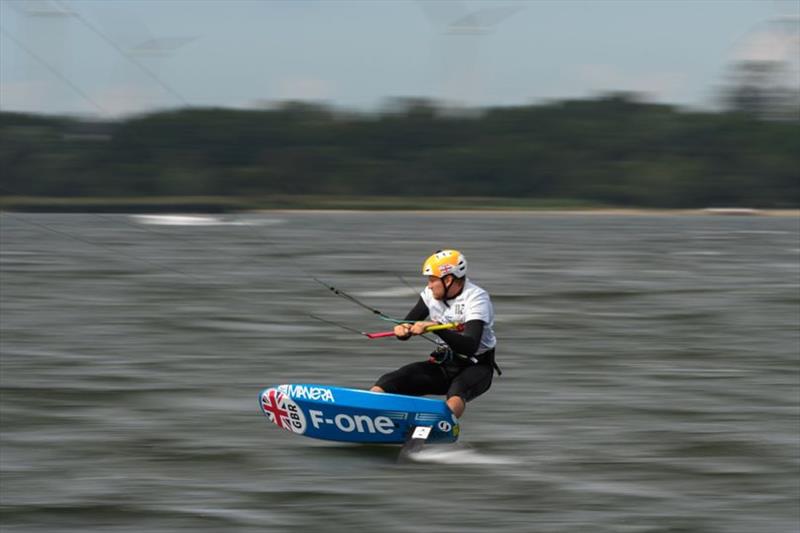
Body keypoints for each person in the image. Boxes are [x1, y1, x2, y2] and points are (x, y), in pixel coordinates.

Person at [370, 249, 499, 418]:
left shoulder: (476, 298)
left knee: (456, 393)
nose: (429, 285)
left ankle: (438, 428)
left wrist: (436, 327)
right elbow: (408, 324)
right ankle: (370, 416)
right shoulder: (430, 295)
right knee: (389, 381)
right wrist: (402, 330)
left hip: (476, 367)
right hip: (443, 365)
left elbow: (470, 346)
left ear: (448, 280)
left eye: (432, 280)